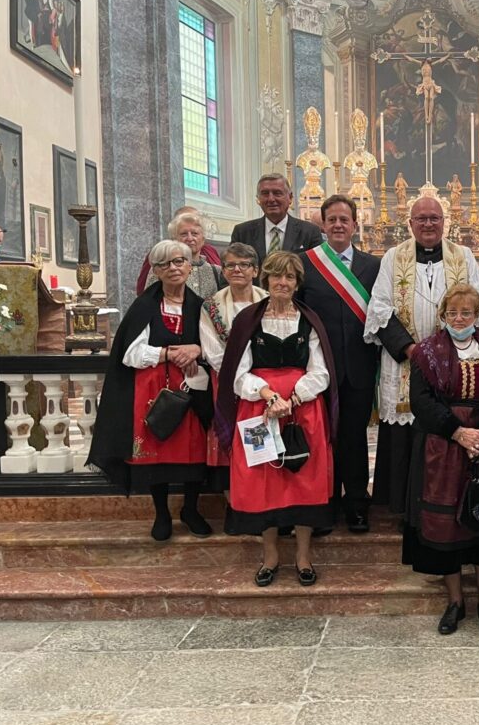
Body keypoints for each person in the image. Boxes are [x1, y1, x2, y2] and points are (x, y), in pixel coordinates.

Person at [215, 251, 337, 588]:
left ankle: (303, 556)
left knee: (304, 479)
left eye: (290, 278)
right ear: (265, 280)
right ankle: (270, 557)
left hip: (304, 411)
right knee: (262, 482)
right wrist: (269, 396)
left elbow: (322, 371)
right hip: (259, 410)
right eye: (276, 277)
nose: (282, 283)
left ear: (298, 283)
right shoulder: (247, 320)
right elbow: (237, 374)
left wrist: (294, 398)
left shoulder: (309, 320)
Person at [364, 196, 479, 515]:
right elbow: (379, 308)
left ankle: (448, 507)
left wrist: (447, 350)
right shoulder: (394, 257)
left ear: (444, 222)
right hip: (406, 360)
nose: (428, 224)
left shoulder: (463, 256)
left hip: (454, 361)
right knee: (406, 437)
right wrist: (411, 349)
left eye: (434, 218)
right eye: (421, 219)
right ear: (410, 223)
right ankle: (405, 510)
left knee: (447, 425)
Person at [405, 284, 479, 635]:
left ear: (477, 315)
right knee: (447, 528)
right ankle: (455, 602)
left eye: (466, 312)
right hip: (443, 446)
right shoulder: (426, 352)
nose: (458, 318)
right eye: (452, 312)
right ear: (443, 315)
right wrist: (457, 431)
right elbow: (421, 401)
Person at [87, 240, 213, 541]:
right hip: (153, 390)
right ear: (155, 270)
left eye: (179, 261)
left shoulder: (202, 306)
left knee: (194, 453)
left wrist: (197, 348)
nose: (173, 268)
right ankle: (161, 514)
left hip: (192, 388)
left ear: (189, 265)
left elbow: (217, 347)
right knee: (157, 454)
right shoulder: (145, 305)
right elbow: (130, 354)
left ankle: (191, 509)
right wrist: (169, 353)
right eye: (165, 264)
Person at [298, 195, 381, 534]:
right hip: (320, 366)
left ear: (355, 225)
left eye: (344, 219)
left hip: (360, 367)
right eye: (331, 219)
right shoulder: (306, 264)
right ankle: (325, 503)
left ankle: (357, 504)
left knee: (354, 438)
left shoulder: (373, 266)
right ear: (323, 224)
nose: (337, 225)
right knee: (322, 438)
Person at [199, 243, 268, 494]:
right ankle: (234, 504)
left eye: (244, 264)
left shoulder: (268, 302)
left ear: (255, 270)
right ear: (224, 271)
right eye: (230, 265)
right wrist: (239, 379)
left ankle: (260, 499)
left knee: (260, 440)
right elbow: (211, 350)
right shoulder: (211, 306)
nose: (237, 269)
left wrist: (256, 381)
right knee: (229, 442)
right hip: (226, 383)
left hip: (262, 385)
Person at [230, 174, 324, 270]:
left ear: (290, 197)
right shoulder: (242, 232)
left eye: (277, 193)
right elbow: (230, 270)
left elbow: (318, 273)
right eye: (265, 193)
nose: (271, 199)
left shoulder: (310, 232)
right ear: (258, 199)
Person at [135, 206, 224, 295]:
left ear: (203, 238)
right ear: (174, 238)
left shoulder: (215, 270)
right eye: (184, 234)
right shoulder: (162, 265)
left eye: (195, 233)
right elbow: (148, 299)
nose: (190, 238)